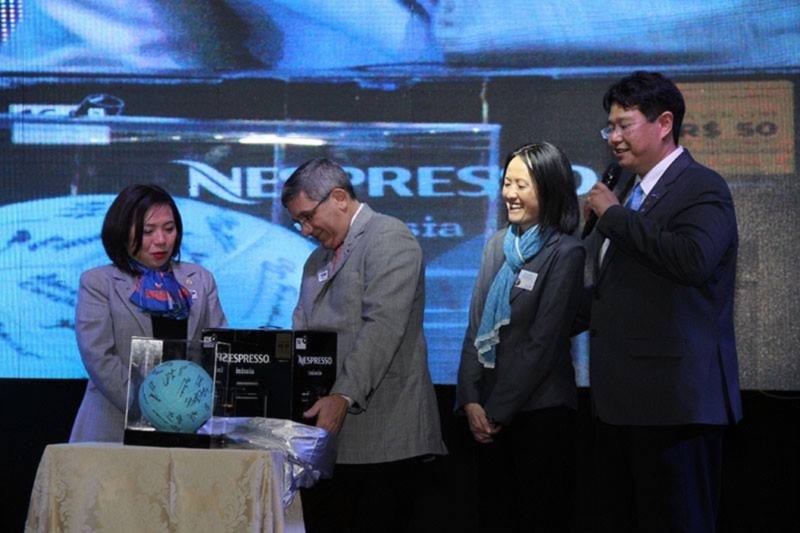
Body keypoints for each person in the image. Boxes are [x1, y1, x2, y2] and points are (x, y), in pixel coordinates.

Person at [581, 71, 742, 532]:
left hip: (675, 406)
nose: (614, 138)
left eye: (624, 125)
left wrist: (613, 217)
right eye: (609, 128)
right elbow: (617, 292)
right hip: (622, 405)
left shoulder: (701, 186)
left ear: (665, 123)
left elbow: (693, 260)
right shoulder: (630, 194)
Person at [281, 158, 447, 533]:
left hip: (386, 439)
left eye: (308, 217)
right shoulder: (315, 261)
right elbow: (302, 332)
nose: (305, 230)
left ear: (339, 198)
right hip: (327, 442)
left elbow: (382, 327)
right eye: (298, 222)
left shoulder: (389, 237)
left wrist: (342, 396)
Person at [455, 142, 585, 533]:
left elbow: (543, 343)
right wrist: (470, 399)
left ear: (549, 190)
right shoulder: (497, 244)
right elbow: (476, 326)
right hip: (487, 414)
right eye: (506, 183)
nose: (509, 193)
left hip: (541, 412)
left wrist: (496, 410)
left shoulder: (566, 252)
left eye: (521, 185)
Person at [69, 184, 227, 443]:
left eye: (169, 229)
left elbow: (217, 349)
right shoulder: (98, 282)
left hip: (189, 425)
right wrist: (157, 409)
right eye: (147, 231)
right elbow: (99, 356)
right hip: (114, 427)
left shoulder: (200, 279)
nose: (161, 240)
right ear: (121, 231)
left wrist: (189, 409)